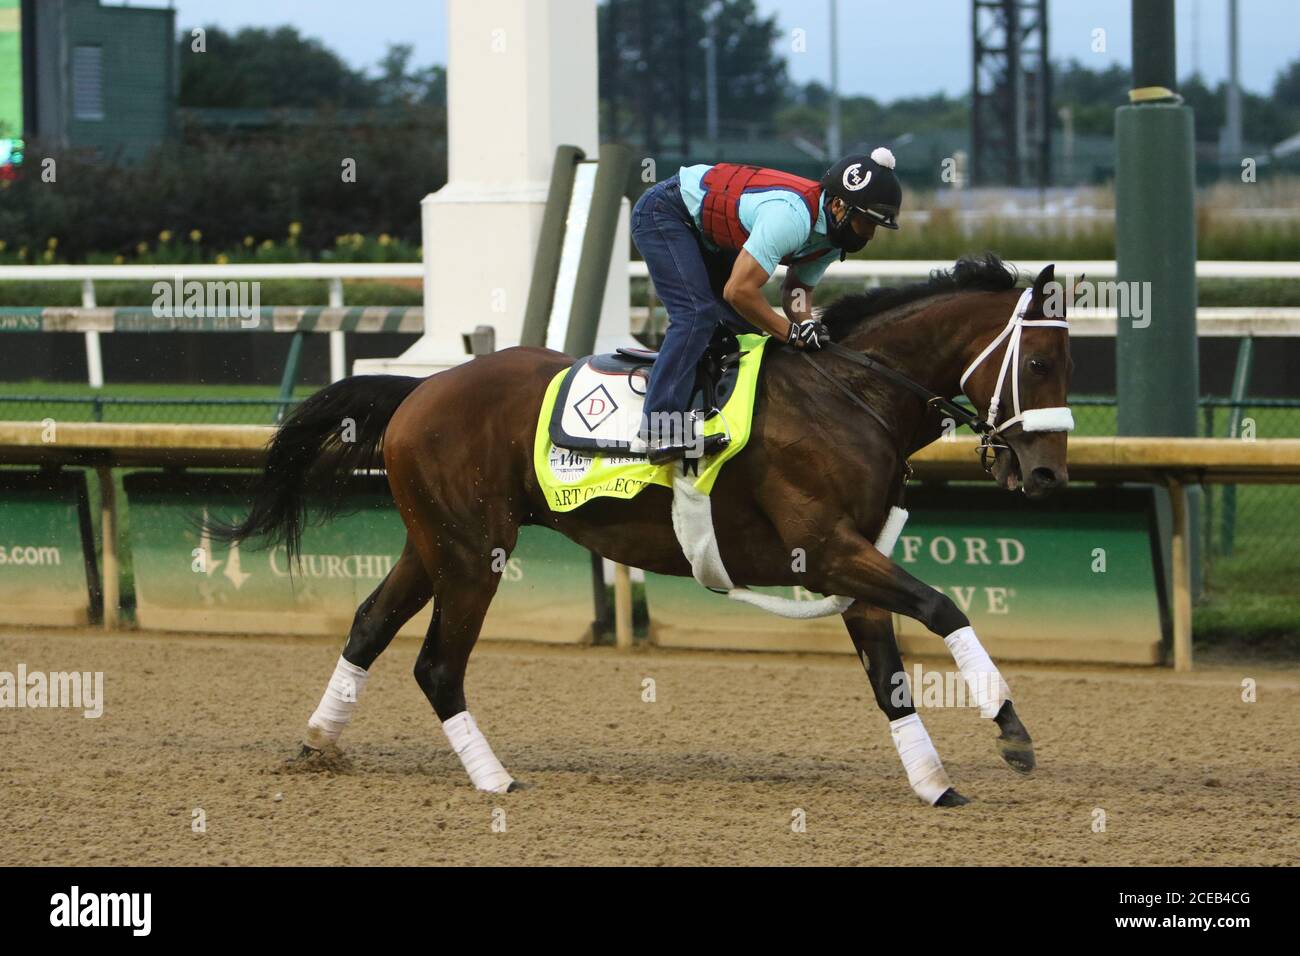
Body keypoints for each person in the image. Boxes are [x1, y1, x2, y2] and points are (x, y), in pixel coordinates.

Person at [631, 147, 902, 464]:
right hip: (666, 212)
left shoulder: (832, 238)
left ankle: (713, 413)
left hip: (708, 234)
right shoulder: (791, 218)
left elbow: (797, 290)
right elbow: (738, 291)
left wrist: (806, 323)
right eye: (865, 222)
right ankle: (658, 427)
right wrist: (789, 333)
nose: (869, 234)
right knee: (696, 315)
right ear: (840, 206)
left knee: (744, 331)